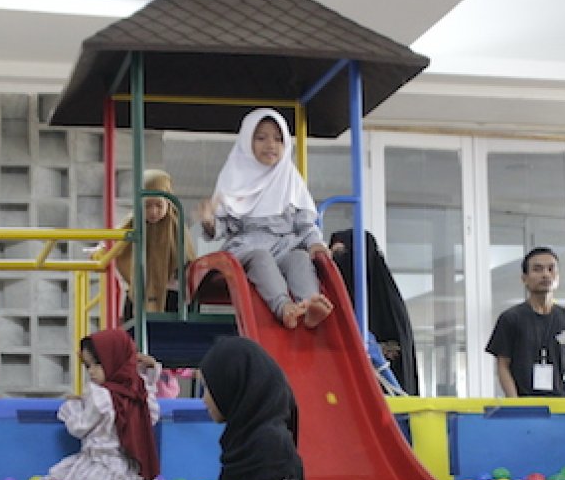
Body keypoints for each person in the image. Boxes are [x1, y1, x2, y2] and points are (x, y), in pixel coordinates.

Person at [198, 108, 333, 330]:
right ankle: (284, 307)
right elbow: (225, 226)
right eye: (261, 138)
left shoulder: (289, 178)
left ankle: (309, 304)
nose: (270, 144)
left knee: (300, 258)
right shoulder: (235, 177)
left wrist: (315, 243)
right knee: (261, 258)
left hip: (284, 245)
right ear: (246, 141)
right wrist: (209, 221)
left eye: (278, 139)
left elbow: (304, 224)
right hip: (249, 246)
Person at [200, 336, 305, 480]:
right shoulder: (242, 439)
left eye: (208, 388)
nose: (204, 399)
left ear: (231, 384)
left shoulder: (268, 445)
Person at [34, 329, 161, 480]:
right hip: (131, 477)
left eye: (98, 364)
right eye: (88, 366)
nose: (91, 372)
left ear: (114, 361)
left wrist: (72, 408)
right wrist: (151, 368)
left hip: (99, 471)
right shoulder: (138, 394)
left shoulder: (99, 395)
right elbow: (151, 411)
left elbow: (79, 427)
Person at [486, 246, 565, 397]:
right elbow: (503, 365)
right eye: (537, 269)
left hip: (560, 405)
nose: (545, 274)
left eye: (551, 269)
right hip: (525, 405)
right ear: (524, 278)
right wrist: (515, 405)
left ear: (558, 276)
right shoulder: (510, 318)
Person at [330, 228, 420, 395]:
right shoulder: (331, 302)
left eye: (342, 252)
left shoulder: (389, 310)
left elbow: (396, 359)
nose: (335, 261)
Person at [112, 168, 196, 315]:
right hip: (139, 292)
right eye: (147, 205)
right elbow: (114, 241)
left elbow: (187, 258)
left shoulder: (176, 225)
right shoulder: (133, 222)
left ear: (168, 202)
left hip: (171, 293)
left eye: (159, 205)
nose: (153, 211)